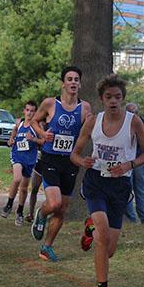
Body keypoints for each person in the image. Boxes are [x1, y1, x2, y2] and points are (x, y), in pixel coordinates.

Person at [70, 76, 144, 287]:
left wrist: (129, 165)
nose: (113, 101)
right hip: (96, 182)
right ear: (101, 99)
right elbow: (74, 154)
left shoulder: (134, 122)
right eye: (109, 97)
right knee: (103, 234)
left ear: (123, 98)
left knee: (109, 249)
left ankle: (90, 227)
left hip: (120, 187)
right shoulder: (92, 122)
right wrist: (82, 161)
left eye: (117, 97)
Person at [30, 66, 92, 262]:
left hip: (70, 162)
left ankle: (46, 247)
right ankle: (41, 213)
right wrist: (42, 134)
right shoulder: (50, 104)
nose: (73, 82)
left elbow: (89, 129)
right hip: (50, 159)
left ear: (79, 84)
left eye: (76, 79)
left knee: (62, 209)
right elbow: (33, 121)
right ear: (63, 84)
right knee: (54, 203)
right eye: (69, 79)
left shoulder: (85, 108)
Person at [1, 101, 43, 226]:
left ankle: (19, 211)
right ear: (24, 111)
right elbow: (14, 132)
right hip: (17, 155)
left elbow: (43, 141)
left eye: (32, 111)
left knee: (24, 188)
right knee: (17, 178)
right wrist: (11, 140)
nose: (29, 113)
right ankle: (8, 205)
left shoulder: (37, 125)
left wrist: (33, 139)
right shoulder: (19, 123)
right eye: (27, 110)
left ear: (36, 112)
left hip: (29, 159)